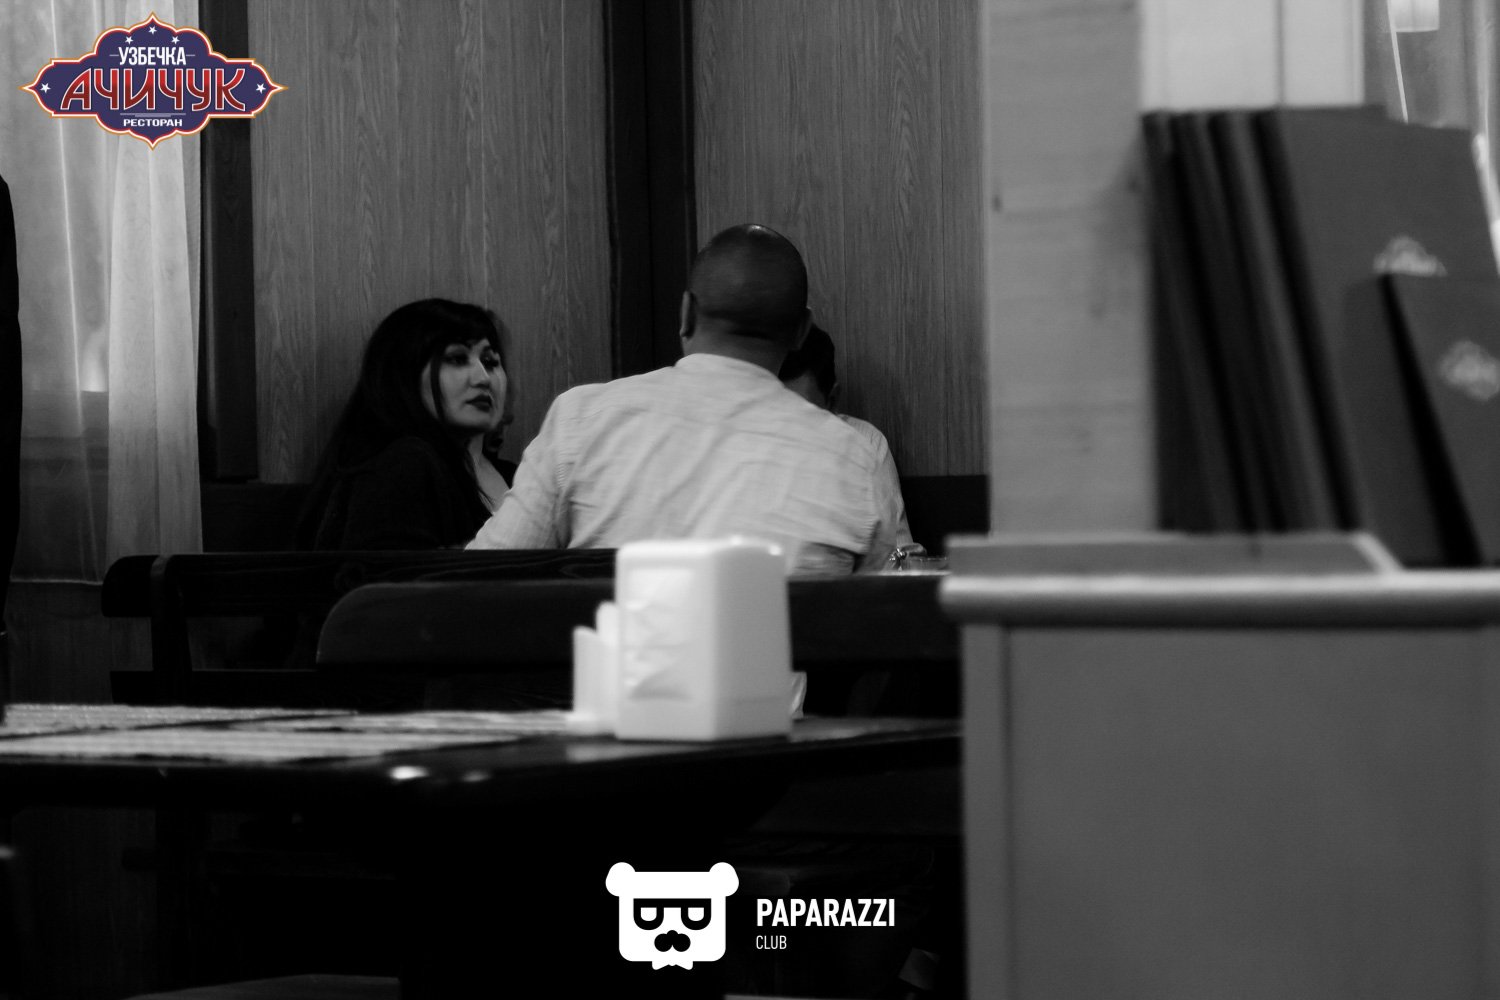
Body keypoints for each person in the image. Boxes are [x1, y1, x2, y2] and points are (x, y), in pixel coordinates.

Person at [468, 224, 903, 573]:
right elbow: (882, 609)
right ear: (801, 331)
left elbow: (478, 577)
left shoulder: (580, 419)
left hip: (619, 661)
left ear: (686, 313)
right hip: (778, 664)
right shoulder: (852, 455)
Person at [296, 298, 513, 550]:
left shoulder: (518, 474)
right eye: (456, 359)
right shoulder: (401, 464)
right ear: (404, 374)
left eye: (490, 362)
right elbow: (396, 573)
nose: (483, 378)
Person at [778, 324, 916, 552]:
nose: (787, 425)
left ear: (832, 400)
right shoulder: (739, 446)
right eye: (775, 409)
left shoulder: (864, 443)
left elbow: (898, 554)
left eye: (804, 413)